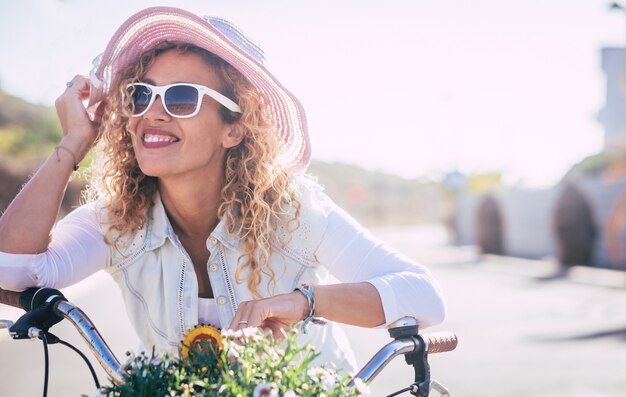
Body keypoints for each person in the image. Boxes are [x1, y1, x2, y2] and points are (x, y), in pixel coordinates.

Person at [0, 6, 445, 374]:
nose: (152, 113)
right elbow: (11, 271)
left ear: (233, 129)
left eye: (180, 98)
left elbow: (424, 295)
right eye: (140, 96)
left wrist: (303, 302)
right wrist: (73, 142)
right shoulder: (117, 219)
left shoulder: (295, 211)